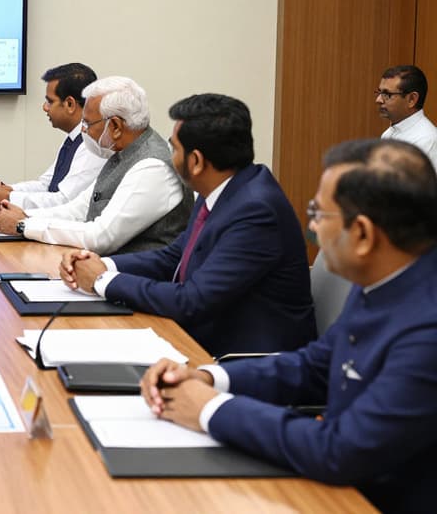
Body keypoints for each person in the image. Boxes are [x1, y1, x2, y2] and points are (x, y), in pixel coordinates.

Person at [140, 139, 437, 513]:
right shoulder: (385, 280)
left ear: (362, 233)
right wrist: (207, 378)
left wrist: (209, 410)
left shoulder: (427, 328)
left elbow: (342, 450)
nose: (311, 226)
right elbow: (315, 365)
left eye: (319, 214)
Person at [58, 94, 316, 355]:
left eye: (175, 149)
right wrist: (103, 264)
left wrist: (102, 280)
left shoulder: (256, 211)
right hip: (201, 338)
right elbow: (175, 256)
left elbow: (192, 300)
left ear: (196, 161)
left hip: (243, 361)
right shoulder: (221, 189)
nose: (170, 157)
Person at [0, 76, 191, 254]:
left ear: (115, 126)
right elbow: (79, 210)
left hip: (134, 281)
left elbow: (101, 237)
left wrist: (23, 225)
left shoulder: (153, 166)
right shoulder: (121, 152)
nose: (83, 131)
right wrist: (23, 215)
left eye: (87, 124)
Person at [0, 63, 106, 207]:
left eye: (50, 101)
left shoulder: (92, 145)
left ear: (70, 104)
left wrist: (5, 196)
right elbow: (47, 185)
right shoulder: (74, 139)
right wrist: (3, 189)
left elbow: (64, 201)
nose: (45, 107)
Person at [376, 64, 437, 169]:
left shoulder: (427, 141)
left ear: (412, 99)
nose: (378, 100)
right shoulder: (388, 133)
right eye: (379, 92)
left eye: (387, 94)